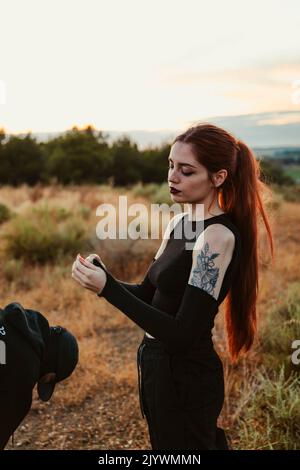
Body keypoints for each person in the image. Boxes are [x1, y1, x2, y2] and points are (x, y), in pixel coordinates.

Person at [71, 123, 274, 450]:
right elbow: (147, 296)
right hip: (156, 367)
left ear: (217, 177)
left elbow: (182, 333)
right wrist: (104, 277)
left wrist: (107, 288)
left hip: (187, 377)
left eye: (186, 170)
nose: (172, 177)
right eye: (170, 165)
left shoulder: (216, 238)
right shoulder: (181, 223)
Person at [0, 301, 79, 450]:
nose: (41, 380)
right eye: (49, 378)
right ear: (51, 370)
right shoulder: (23, 374)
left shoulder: (10, 320)